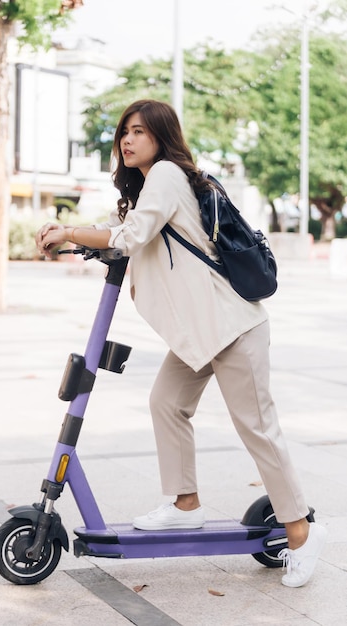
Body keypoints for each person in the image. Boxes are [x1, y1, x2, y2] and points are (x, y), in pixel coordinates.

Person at [36, 99, 327, 587]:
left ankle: (301, 534)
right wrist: (74, 237)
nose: (127, 140)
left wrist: (68, 229)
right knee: (167, 402)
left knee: (257, 427)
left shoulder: (167, 174)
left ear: (161, 137)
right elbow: (123, 232)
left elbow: (130, 236)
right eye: (124, 131)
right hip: (203, 331)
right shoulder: (150, 186)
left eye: (139, 132)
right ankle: (185, 504)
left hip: (233, 328)